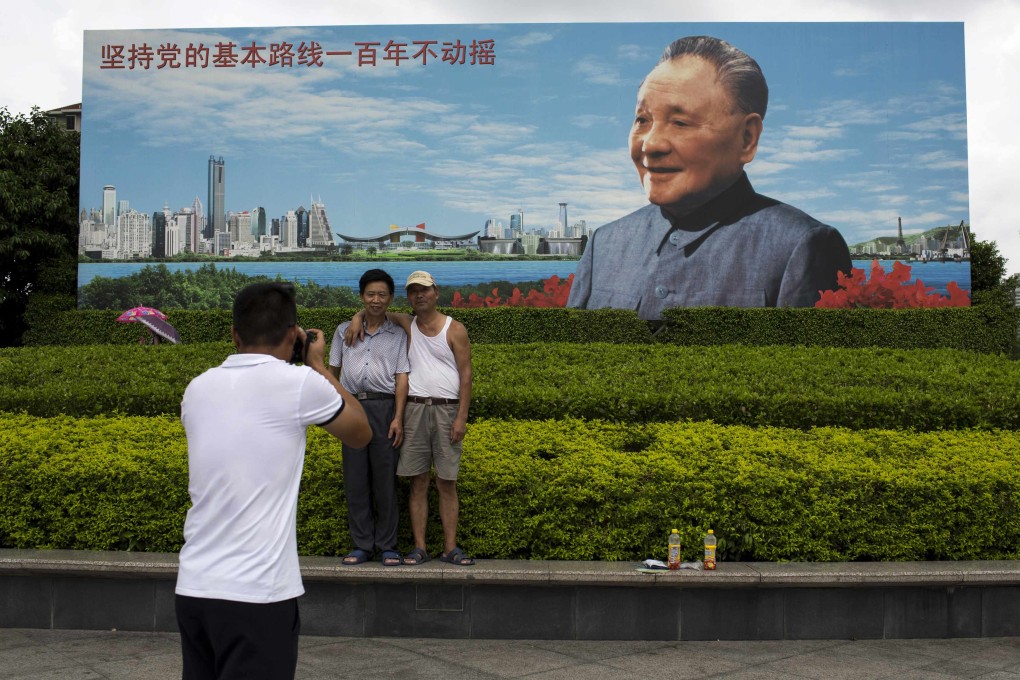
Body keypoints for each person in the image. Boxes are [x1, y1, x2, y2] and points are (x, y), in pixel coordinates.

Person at [567, 35, 852, 320]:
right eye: (642, 120)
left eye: (679, 122)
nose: (650, 145)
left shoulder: (801, 246)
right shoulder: (604, 244)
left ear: (746, 138)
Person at [175, 282, 370, 680]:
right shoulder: (299, 384)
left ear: (234, 335)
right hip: (257, 595)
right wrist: (316, 365)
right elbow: (360, 432)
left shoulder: (197, 388)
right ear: (291, 334)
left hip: (195, 588)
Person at [346, 270, 474, 566]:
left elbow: (466, 375)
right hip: (414, 409)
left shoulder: (455, 329)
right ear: (408, 296)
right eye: (414, 291)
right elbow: (372, 309)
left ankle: (450, 548)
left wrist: (461, 418)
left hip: (447, 409)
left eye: (424, 290)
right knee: (417, 482)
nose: (419, 295)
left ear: (435, 292)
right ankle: (419, 548)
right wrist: (355, 319)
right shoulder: (407, 323)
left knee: (446, 482)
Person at [328, 269, 409, 567]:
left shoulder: (398, 334)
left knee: (385, 481)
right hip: (351, 408)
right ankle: (362, 545)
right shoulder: (342, 331)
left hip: (384, 409)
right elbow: (332, 372)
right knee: (356, 480)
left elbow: (402, 378)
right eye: (370, 294)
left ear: (390, 298)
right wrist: (334, 411)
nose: (376, 300)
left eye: (382, 295)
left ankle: (388, 546)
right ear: (362, 297)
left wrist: (398, 417)